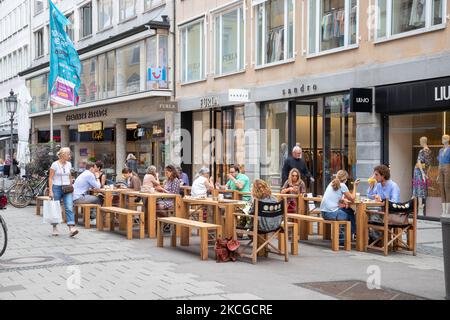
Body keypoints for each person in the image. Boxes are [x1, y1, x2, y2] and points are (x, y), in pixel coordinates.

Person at [320, 170, 359, 245]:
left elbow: (333, 197)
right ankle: (345, 239)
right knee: (349, 216)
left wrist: (342, 200)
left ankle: (351, 234)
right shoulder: (342, 185)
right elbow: (352, 198)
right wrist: (355, 186)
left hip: (324, 212)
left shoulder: (332, 183)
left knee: (349, 211)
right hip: (330, 213)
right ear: (345, 179)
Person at [48, 147, 78, 237]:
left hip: (67, 188)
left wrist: (71, 185)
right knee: (56, 208)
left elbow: (69, 176)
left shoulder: (69, 164)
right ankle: (55, 227)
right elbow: (50, 178)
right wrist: (50, 191)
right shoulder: (55, 164)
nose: (70, 156)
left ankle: (71, 228)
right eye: (68, 154)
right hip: (56, 187)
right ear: (63, 155)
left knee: (69, 207)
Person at [412, 137, 432, 214]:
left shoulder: (421, 151)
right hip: (423, 171)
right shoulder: (429, 151)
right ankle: (419, 208)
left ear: (423, 141)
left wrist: (423, 174)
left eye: (420, 141)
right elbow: (429, 164)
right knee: (420, 188)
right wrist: (426, 173)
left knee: (419, 188)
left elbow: (419, 162)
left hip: (418, 171)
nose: (419, 142)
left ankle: (420, 208)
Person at [438, 134, 450, 216]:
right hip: (441, 168)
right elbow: (439, 161)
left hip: (447, 167)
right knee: (441, 188)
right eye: (442, 138)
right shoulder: (441, 150)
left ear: (447, 139)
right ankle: (443, 210)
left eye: (444, 138)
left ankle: (447, 211)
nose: (442, 140)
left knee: (447, 188)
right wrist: (438, 174)